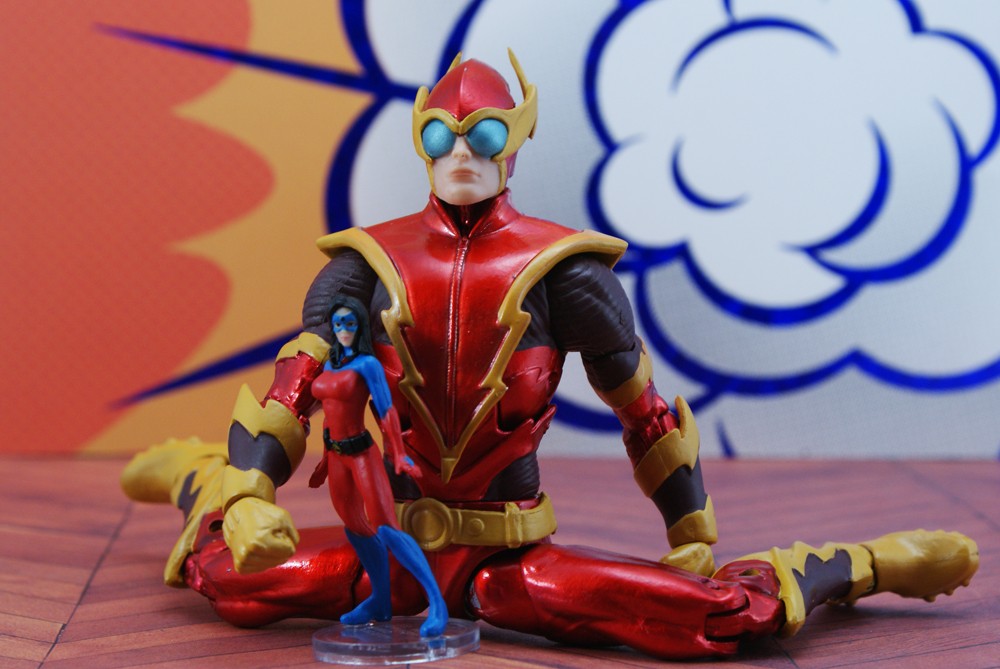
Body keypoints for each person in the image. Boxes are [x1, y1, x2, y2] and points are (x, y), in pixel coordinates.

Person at [122, 51, 978, 660]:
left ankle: (861, 565)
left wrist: (691, 534)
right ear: (420, 141)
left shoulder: (565, 273)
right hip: (388, 538)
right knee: (229, 579)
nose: (462, 154)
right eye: (442, 137)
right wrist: (249, 494)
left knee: (720, 616)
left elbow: (642, 411)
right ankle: (203, 482)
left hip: (512, 557)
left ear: (516, 139)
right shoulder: (364, 263)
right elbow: (295, 386)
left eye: (484, 134)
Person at [308, 295, 446, 637]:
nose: (343, 329)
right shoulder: (329, 365)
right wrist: (324, 458)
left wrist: (398, 453)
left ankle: (436, 602)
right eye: (338, 323)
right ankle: (380, 602)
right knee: (355, 526)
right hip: (336, 455)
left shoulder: (367, 365)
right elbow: (328, 416)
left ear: (359, 327)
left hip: (361, 453)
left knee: (386, 527)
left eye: (349, 323)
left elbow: (386, 411)